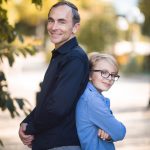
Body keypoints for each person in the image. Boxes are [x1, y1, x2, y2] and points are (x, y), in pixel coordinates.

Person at [18, 1, 89, 150]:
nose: (53, 27)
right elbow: (48, 100)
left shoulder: (74, 58)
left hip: (61, 144)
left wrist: (30, 128)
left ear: (75, 27)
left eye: (62, 22)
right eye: (51, 20)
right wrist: (26, 121)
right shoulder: (61, 55)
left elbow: (57, 107)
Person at [76, 52, 126, 150]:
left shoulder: (89, 94)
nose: (109, 78)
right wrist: (112, 130)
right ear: (89, 75)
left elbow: (113, 131)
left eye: (113, 75)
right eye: (104, 72)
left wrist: (108, 135)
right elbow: (119, 132)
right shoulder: (92, 100)